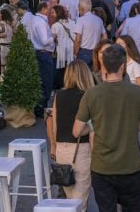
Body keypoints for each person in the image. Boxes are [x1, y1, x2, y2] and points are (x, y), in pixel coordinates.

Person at [73, 44, 140, 212]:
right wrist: (131, 121)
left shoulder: (92, 94)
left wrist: (95, 124)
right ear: (123, 65)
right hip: (130, 166)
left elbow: (77, 131)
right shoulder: (137, 92)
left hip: (101, 167)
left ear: (103, 64)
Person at [48, 60, 95, 210]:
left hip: (62, 149)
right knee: (80, 200)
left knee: (69, 199)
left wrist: (54, 147)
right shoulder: (88, 96)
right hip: (81, 150)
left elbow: (54, 125)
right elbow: (93, 126)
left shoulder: (59, 95)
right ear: (85, 75)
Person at [29, 2, 57, 116]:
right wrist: (54, 37)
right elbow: (44, 41)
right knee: (47, 81)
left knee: (45, 81)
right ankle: (41, 109)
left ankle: (41, 107)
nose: (51, 11)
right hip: (44, 54)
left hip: (41, 54)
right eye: (49, 9)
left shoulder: (37, 20)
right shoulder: (40, 22)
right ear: (44, 9)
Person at [73, 0, 107, 67]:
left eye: (79, 9)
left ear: (82, 9)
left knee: (83, 74)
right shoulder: (99, 20)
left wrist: (75, 53)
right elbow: (105, 36)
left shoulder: (80, 20)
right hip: (95, 51)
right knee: (93, 74)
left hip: (83, 52)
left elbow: (78, 39)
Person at [51, 5, 76, 90]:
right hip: (71, 50)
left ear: (58, 13)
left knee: (60, 71)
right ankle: (70, 85)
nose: (51, 14)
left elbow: (52, 39)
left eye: (53, 12)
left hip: (61, 51)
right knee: (69, 69)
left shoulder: (55, 25)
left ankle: (62, 87)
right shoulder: (72, 22)